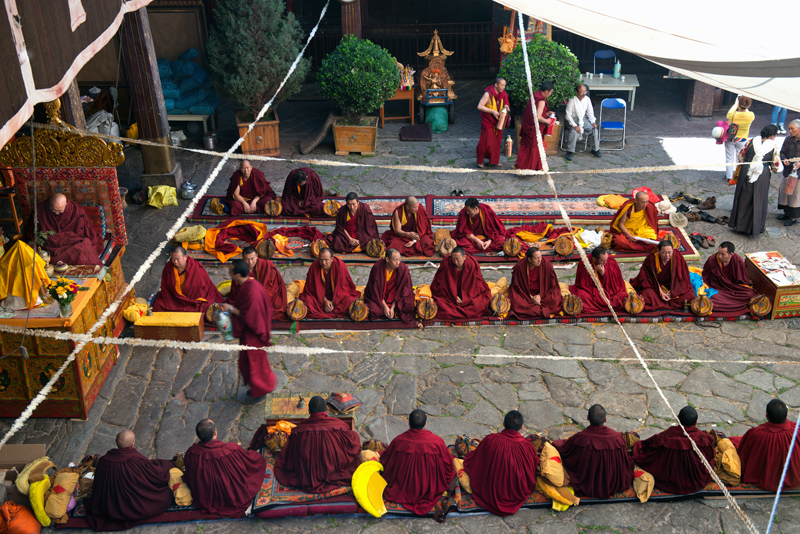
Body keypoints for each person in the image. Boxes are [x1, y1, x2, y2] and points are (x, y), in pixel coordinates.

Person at [86, 430, 173, 531]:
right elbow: (155, 476)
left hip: (108, 507)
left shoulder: (103, 461)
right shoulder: (135, 459)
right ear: (132, 443)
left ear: (116, 441)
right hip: (133, 506)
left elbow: (98, 484)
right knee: (166, 495)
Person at [274, 396, 361, 493]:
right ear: (326, 409)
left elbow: (290, 452)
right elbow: (352, 439)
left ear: (309, 411)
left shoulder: (298, 430)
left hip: (308, 474)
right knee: (354, 435)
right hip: (333, 472)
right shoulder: (338, 425)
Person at [183, 419, 266, 516]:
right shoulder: (231, 449)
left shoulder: (191, 453)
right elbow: (250, 462)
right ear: (215, 432)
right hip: (232, 495)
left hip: (207, 496)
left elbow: (190, 476)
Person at [381, 409, 456, 515]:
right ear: (425, 423)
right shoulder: (437, 442)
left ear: (409, 423)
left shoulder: (398, 441)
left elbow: (386, 462)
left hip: (402, 489)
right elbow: (448, 465)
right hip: (430, 489)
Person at [463, 410, 538, 516]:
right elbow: (533, 467)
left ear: (503, 423)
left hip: (490, 493)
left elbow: (477, 461)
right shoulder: (528, 447)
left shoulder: (491, 440)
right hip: (517, 493)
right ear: (521, 427)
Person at [220, 259, 277, 399]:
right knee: (253, 363)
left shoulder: (251, 291)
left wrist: (231, 309)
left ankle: (261, 390)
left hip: (254, 335)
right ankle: (259, 388)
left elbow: (250, 317)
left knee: (254, 365)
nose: (229, 273)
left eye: (231, 271)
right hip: (252, 332)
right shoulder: (251, 284)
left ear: (238, 275)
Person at [553, 405, 634, 499]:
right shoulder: (617, 439)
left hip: (586, 483)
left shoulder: (580, 438)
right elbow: (624, 461)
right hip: (612, 482)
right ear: (605, 419)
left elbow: (566, 451)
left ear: (587, 418)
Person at [632, 406, 716, 494]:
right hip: (696, 480)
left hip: (670, 480)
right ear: (696, 422)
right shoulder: (703, 438)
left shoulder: (667, 435)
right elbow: (710, 455)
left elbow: (651, 445)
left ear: (678, 418)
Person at [730, 399, 800, 492]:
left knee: (733, 443)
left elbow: (744, 454)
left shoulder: (755, 434)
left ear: (766, 415)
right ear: (786, 415)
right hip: (793, 479)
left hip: (764, 480)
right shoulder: (797, 431)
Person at [729, 124, 782, 236]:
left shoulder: (751, 141)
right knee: (758, 198)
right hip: (762, 173)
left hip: (746, 170)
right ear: (773, 136)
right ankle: (754, 227)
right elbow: (776, 165)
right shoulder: (773, 146)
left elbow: (741, 156)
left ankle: (739, 225)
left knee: (743, 196)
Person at [26, 193, 103, 265]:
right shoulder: (40, 209)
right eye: (54, 210)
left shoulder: (76, 210)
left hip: (71, 243)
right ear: (49, 204)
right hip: (49, 244)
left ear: (66, 204)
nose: (56, 213)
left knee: (83, 248)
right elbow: (32, 232)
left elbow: (85, 231)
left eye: (60, 211)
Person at [152, 246, 223, 316]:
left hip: (192, 299)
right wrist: (170, 299)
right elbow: (165, 287)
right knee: (158, 305)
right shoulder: (168, 267)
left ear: (185, 257)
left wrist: (187, 300)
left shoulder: (196, 268)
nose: (175, 262)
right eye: (173, 259)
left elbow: (200, 289)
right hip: (175, 298)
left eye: (178, 259)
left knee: (202, 308)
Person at [630, 240, 695, 312]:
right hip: (656, 287)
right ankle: (665, 303)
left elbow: (683, 278)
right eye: (664, 253)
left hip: (672, 287)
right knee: (647, 294)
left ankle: (660, 304)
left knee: (689, 295)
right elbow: (646, 276)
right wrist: (660, 292)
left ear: (672, 250)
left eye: (669, 252)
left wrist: (673, 291)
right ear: (658, 251)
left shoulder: (677, 257)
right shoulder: (652, 258)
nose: (667, 255)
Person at [430, 247, 491, 321]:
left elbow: (476, 286)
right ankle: (463, 313)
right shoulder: (446, 262)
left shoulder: (472, 264)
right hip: (449, 295)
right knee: (440, 304)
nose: (455, 262)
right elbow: (441, 284)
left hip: (469, 295)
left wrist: (465, 299)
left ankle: (456, 312)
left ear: (464, 257)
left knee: (479, 304)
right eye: (453, 259)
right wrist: (453, 296)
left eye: (457, 259)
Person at [227, 246, 287, 321]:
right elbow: (235, 290)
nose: (250, 262)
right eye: (247, 259)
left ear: (257, 256)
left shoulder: (267, 265)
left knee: (273, 304)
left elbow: (273, 287)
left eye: (252, 259)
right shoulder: (240, 268)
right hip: (247, 296)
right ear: (243, 258)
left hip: (265, 293)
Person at [299, 248, 360, 319]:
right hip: (319, 298)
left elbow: (343, 288)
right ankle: (330, 309)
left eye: (326, 260)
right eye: (321, 260)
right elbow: (311, 289)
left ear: (332, 259)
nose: (323, 263)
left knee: (350, 301)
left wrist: (333, 302)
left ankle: (330, 308)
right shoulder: (314, 266)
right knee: (307, 301)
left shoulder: (340, 266)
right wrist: (324, 301)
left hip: (338, 297)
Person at [363, 248, 418, 325]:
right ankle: (391, 310)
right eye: (395, 260)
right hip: (380, 298)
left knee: (409, 306)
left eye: (399, 259)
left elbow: (402, 290)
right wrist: (385, 307)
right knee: (374, 311)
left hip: (395, 298)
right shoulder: (377, 268)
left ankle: (394, 310)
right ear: (387, 259)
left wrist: (392, 307)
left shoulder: (403, 269)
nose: (398, 263)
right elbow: (375, 291)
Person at [701, 242, 758, 314]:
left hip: (733, 288)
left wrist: (734, 289)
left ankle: (725, 303)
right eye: (719, 253)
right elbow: (705, 277)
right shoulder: (712, 260)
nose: (720, 256)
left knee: (750, 294)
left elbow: (743, 280)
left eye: (723, 254)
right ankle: (734, 303)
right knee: (710, 296)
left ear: (731, 254)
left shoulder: (737, 260)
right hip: (717, 289)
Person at [508, 246, 562, 319]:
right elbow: (517, 286)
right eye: (536, 258)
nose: (540, 260)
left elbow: (551, 284)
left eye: (540, 257)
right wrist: (531, 297)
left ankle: (533, 310)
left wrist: (540, 296)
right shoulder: (520, 266)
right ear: (529, 259)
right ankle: (540, 310)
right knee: (516, 302)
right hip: (525, 294)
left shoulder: (546, 264)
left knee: (555, 300)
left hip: (543, 293)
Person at [569, 246, 627, 313]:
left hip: (609, 291)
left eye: (606, 259)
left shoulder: (611, 260)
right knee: (581, 294)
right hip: (592, 291)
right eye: (603, 261)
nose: (605, 262)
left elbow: (616, 284)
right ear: (594, 259)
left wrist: (603, 274)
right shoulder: (584, 263)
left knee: (622, 295)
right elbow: (583, 285)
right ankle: (607, 303)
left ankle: (605, 303)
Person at [516, 81, 555, 171]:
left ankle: (537, 166)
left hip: (527, 125)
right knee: (533, 148)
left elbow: (534, 111)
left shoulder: (534, 95)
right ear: (546, 91)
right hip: (533, 128)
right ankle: (522, 166)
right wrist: (547, 121)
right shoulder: (541, 101)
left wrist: (546, 113)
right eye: (550, 92)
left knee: (526, 147)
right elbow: (538, 117)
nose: (550, 94)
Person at [476, 76, 510, 168]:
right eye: (502, 85)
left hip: (499, 120)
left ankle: (494, 160)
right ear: (496, 85)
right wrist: (493, 111)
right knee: (486, 141)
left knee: (497, 141)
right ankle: (480, 161)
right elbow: (479, 106)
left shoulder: (503, 92)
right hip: (488, 121)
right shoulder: (488, 93)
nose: (503, 87)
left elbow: (506, 101)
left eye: (504, 85)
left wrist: (506, 106)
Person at [564, 84, 601, 161]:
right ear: (576, 92)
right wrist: (574, 125)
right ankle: (569, 151)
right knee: (574, 132)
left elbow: (590, 112)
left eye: (585, 92)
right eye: (581, 92)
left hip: (583, 119)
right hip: (572, 119)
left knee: (594, 129)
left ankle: (595, 149)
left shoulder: (587, 99)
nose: (584, 94)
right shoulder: (572, 100)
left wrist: (593, 122)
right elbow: (568, 115)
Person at [724, 96, 755, 182]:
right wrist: (745, 106)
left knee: (729, 157)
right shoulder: (751, 115)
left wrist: (735, 104)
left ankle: (729, 176)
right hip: (742, 139)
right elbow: (746, 110)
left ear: (738, 104)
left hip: (731, 138)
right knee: (740, 158)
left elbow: (728, 115)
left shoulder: (733, 114)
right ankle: (738, 176)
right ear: (748, 105)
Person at [778, 119, 800, 226]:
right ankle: (786, 212)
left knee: (794, 194)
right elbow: (781, 152)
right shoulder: (788, 139)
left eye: (792, 129)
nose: (790, 131)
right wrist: (784, 159)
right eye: (789, 128)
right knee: (784, 192)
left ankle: (793, 217)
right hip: (787, 171)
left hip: (798, 174)